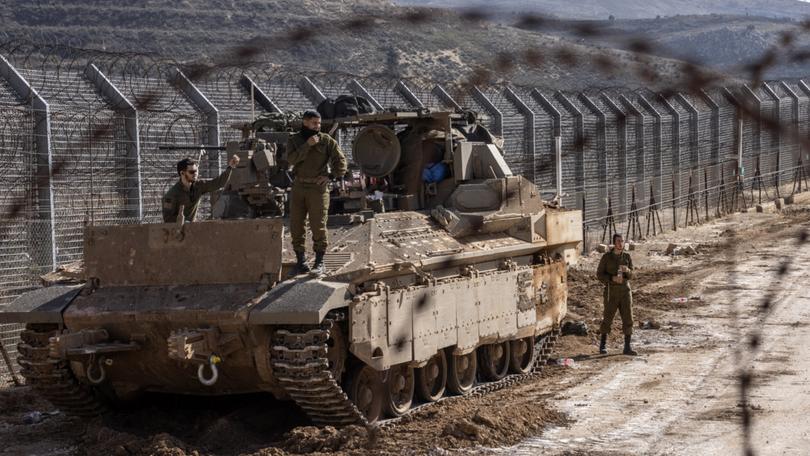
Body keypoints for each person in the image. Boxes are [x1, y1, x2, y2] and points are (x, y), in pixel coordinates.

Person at [286, 110, 347, 276]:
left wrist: (330, 176)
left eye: (319, 123)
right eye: (314, 123)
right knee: (296, 225)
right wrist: (307, 145)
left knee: (318, 226)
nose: (318, 126)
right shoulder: (295, 140)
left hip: (317, 189)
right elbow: (291, 159)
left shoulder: (326, 141)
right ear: (305, 122)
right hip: (298, 187)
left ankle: (320, 263)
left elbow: (341, 161)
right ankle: (301, 262)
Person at [162, 155, 240, 223]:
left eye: (196, 171)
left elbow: (217, 183)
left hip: (192, 229)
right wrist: (184, 222)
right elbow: (168, 219)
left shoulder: (198, 186)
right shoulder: (172, 195)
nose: (195, 174)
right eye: (192, 172)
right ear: (182, 173)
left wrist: (230, 167)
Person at [596, 233, 638, 356]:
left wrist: (627, 270)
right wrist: (612, 278)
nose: (621, 243)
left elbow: (632, 275)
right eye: (618, 241)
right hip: (611, 291)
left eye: (622, 241)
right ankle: (602, 345)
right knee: (608, 318)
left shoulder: (626, 257)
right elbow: (599, 274)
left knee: (628, 317)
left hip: (625, 290)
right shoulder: (607, 257)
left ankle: (627, 347)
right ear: (614, 243)